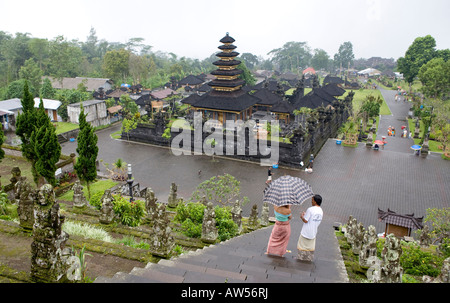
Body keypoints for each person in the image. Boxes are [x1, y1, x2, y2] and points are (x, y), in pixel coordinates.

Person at [297, 194, 323, 261]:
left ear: (315, 201)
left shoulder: (310, 209)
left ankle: (301, 259)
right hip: (313, 233)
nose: (311, 202)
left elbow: (305, 220)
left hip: (305, 232)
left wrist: (302, 216)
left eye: (312, 200)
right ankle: (308, 259)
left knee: (302, 247)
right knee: (310, 248)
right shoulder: (321, 211)